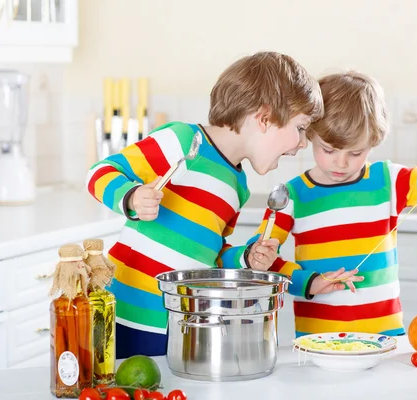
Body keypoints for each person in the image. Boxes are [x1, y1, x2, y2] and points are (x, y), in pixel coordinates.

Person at [86, 51, 325, 358]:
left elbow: (211, 253)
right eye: (301, 128)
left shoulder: (237, 186)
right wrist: (130, 197)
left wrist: (246, 259)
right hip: (126, 315)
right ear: (265, 118)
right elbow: (99, 172)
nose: (303, 143)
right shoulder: (183, 141)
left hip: (180, 323)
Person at [246, 71, 417, 338]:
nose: (341, 163)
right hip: (318, 340)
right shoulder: (291, 195)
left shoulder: (387, 180)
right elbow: (264, 259)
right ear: (310, 134)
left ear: (373, 141)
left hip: (384, 338)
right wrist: (311, 282)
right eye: (328, 150)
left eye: (355, 153)